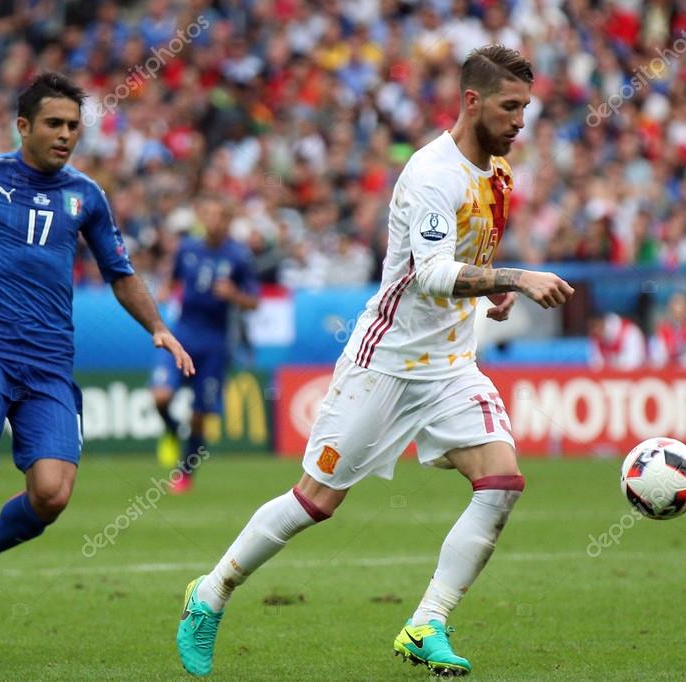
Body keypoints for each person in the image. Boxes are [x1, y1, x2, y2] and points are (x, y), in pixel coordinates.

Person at [176, 45, 574, 678]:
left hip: (449, 363)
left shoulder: (498, 175)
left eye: (526, 107)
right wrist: (516, 277)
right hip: (385, 361)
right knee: (316, 502)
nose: (521, 120)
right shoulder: (429, 174)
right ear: (472, 101)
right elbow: (436, 274)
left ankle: (427, 623)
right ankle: (211, 592)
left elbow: (465, 261)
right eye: (509, 106)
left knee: (501, 484)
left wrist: (493, 288)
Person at [0, 72, 194, 642]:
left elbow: (119, 273)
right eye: (54, 123)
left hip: (49, 364)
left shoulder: (86, 196)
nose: (66, 134)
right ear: (23, 126)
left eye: (74, 125)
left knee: (52, 494)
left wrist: (159, 328)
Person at [151, 196, 257, 493]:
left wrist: (234, 294)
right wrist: (163, 291)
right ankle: (172, 430)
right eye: (207, 214)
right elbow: (171, 281)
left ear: (227, 221)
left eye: (218, 215)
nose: (212, 220)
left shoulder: (238, 257)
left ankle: (186, 471)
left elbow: (254, 301)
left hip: (216, 341)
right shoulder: (187, 249)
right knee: (160, 397)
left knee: (200, 414)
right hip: (182, 333)